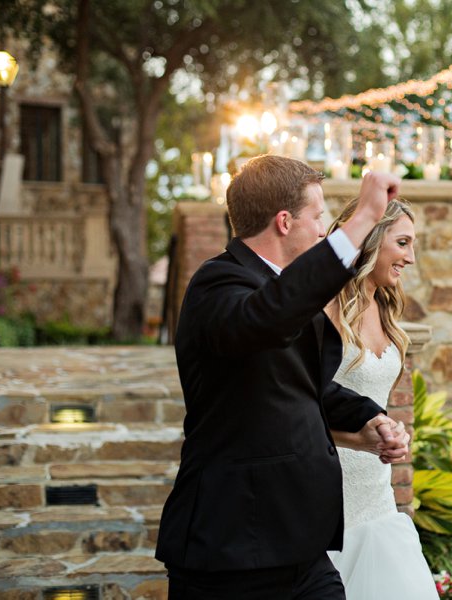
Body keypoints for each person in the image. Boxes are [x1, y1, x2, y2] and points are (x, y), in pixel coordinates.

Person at [156, 156, 411, 600]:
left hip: (301, 548)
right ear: (284, 221)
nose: (322, 230)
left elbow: (302, 384)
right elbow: (268, 316)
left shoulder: (281, 293)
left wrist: (368, 419)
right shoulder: (217, 284)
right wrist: (365, 219)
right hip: (233, 548)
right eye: (317, 218)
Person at [324, 198, 437, 599]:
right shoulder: (325, 305)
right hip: (328, 488)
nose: (410, 256)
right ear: (372, 239)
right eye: (403, 243)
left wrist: (393, 432)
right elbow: (305, 399)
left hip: (377, 493)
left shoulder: (384, 306)